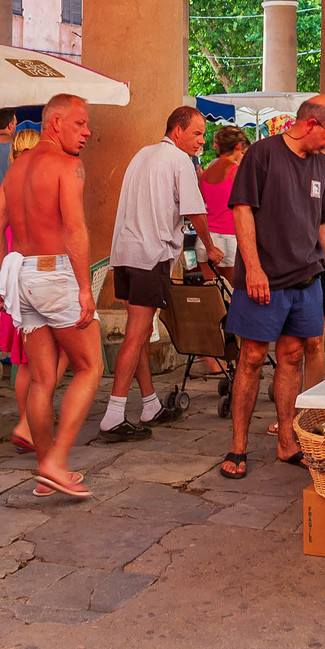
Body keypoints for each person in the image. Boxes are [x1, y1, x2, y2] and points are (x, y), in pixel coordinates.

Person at [220, 96, 325, 479]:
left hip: (306, 278)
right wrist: (254, 269)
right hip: (264, 279)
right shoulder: (262, 154)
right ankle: (238, 445)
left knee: (292, 357)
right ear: (310, 124)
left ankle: (287, 441)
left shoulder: (321, 164)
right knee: (252, 357)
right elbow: (242, 210)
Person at [0, 94, 101, 497]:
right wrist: (85, 289)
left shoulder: (17, 167)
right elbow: (75, 228)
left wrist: (3, 282)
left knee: (41, 378)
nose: (87, 132)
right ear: (55, 123)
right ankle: (56, 461)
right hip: (55, 273)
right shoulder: (68, 166)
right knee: (90, 367)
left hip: (22, 275)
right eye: (80, 123)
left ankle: (46, 469)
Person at [97, 105, 222, 440]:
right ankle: (113, 415)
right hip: (149, 256)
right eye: (197, 133)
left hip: (125, 254)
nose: (202, 141)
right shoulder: (180, 160)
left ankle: (150, 404)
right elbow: (195, 211)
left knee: (138, 334)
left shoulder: (142, 154)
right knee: (135, 335)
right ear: (177, 130)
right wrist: (210, 247)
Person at [0, 123, 43, 453]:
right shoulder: (45, 183)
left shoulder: (8, 184)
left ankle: (28, 420)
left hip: (14, 278)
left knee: (24, 361)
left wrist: (2, 282)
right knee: (57, 356)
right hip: (41, 276)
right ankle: (31, 423)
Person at [198, 123, 245, 270]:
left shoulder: (207, 171)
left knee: (210, 285)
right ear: (238, 145)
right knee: (233, 285)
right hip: (228, 239)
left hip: (205, 240)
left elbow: (200, 201)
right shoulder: (237, 171)